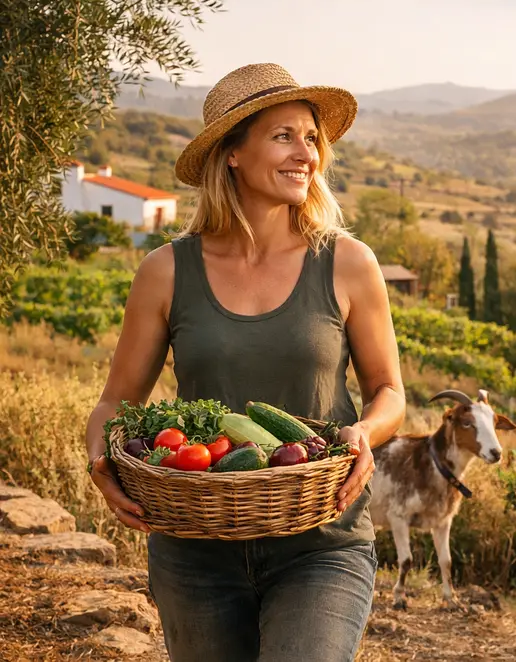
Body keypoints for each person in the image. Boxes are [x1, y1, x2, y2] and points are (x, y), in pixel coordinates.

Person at [84, 62, 407, 661]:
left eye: (311, 138)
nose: (305, 154)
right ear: (231, 153)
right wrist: (101, 456)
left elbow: (390, 389)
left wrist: (364, 432)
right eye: (283, 136)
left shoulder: (349, 263)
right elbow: (115, 402)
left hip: (322, 540)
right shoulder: (164, 272)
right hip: (195, 549)